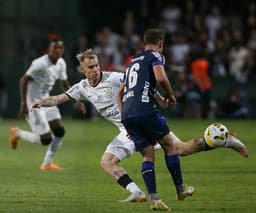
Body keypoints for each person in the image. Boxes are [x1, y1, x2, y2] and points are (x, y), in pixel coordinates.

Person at [31, 49, 248, 205]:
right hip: (128, 130)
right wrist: (42, 102)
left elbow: (140, 83)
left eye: (96, 65)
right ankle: (139, 192)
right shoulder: (82, 88)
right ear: (82, 69)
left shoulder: (115, 77)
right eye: (90, 67)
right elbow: (59, 98)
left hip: (138, 124)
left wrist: (161, 97)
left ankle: (142, 193)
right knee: (176, 150)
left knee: (174, 151)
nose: (95, 70)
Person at [116, 28, 248, 211]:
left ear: (143, 42)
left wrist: (126, 117)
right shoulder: (156, 55)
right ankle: (181, 189)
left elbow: (121, 93)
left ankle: (155, 199)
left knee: (148, 155)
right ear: (161, 43)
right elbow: (160, 77)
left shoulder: (132, 62)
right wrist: (170, 95)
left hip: (128, 115)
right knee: (172, 147)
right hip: (145, 109)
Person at [9, 38, 85, 171]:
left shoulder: (61, 63)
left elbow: (64, 84)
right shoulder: (39, 63)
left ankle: (46, 164)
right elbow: (23, 80)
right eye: (55, 47)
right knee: (45, 139)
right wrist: (23, 104)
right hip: (33, 104)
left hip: (47, 102)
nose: (58, 50)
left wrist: (76, 99)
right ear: (49, 49)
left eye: (60, 48)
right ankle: (17, 133)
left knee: (59, 131)